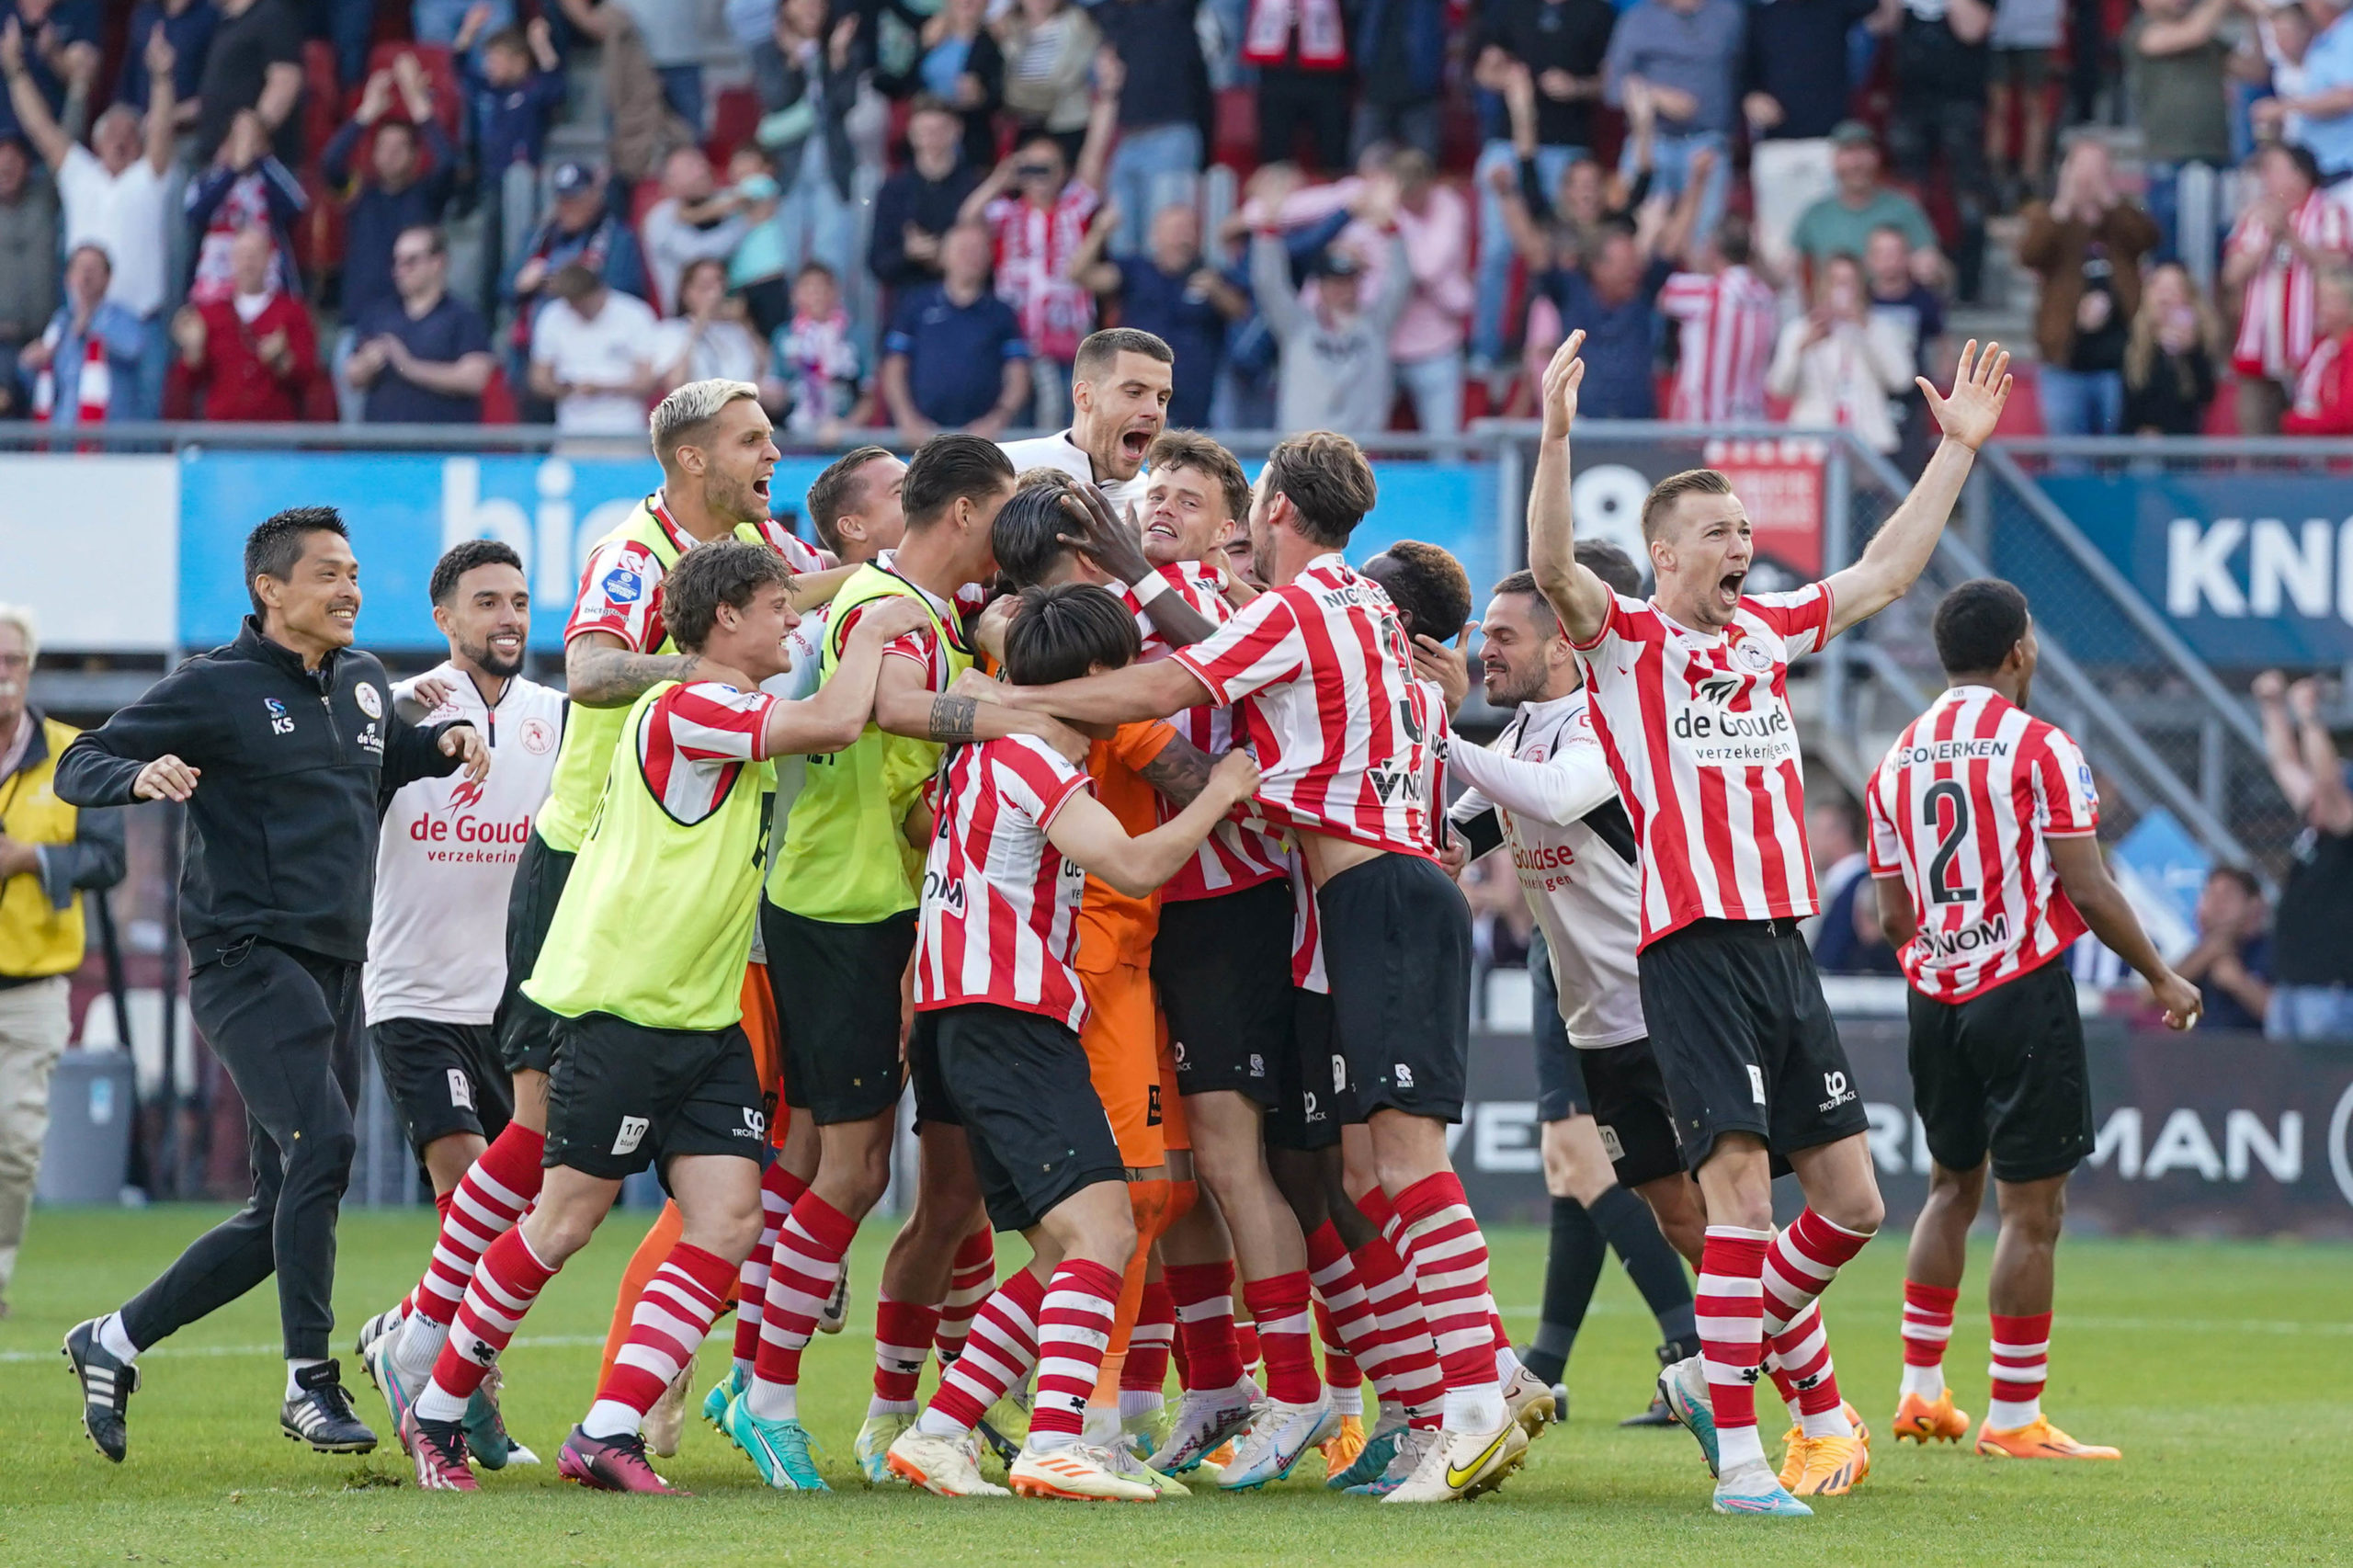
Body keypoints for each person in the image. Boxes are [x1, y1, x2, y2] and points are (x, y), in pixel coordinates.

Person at [982, 431, 1529, 1505]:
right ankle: (1456, 1394)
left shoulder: (1294, 606)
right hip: (1368, 892)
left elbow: (1170, 682)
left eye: (1208, 495)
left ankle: (1468, 1396)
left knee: (1393, 1167)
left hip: (1354, 896)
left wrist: (1011, 700)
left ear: (1267, 506)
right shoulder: (1359, 604)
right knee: (1366, 1167)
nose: (1176, 510)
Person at [1526, 325, 2014, 1514]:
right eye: (1719, 532)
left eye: (1748, 528)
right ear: (1663, 555)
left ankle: (1731, 1335)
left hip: (1782, 947)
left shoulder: (1765, 633)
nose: (1744, 545)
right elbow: (1553, 572)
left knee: (1852, 1203)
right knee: (1741, 1200)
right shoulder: (1628, 640)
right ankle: (1745, 1462)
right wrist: (1553, 437)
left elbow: (1891, 572)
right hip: (1691, 951)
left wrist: (1955, 452)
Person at [401, 544, 931, 1494]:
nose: (791, 623)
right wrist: (884, 614)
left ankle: (608, 1430)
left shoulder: (724, 705)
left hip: (700, 1014)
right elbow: (835, 716)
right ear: (726, 617)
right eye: (777, 607)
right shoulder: (694, 705)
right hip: (627, 1009)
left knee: (728, 1217)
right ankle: (436, 1406)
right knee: (563, 1220)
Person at [54, 506, 488, 1464]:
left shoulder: (369, 682)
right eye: (329, 573)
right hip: (245, 955)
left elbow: (389, 761)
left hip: (336, 962)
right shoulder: (214, 686)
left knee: (282, 1203)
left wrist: (446, 742)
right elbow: (80, 760)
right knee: (326, 1142)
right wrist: (141, 773)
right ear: (270, 587)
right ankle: (308, 1381)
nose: (350, 589)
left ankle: (111, 1339)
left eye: (355, 572)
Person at [726, 435, 1082, 1491]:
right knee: (852, 1167)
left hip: (893, 909)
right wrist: (1025, 712)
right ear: (967, 512)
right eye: (1005, 510)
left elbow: (911, 776)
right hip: (840, 906)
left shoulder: (917, 612)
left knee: (931, 1183)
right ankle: (768, 1399)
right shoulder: (882, 613)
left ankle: (900, 1411)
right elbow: (883, 715)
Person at [881, 583, 1262, 1503]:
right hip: (1008, 1017)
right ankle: (1059, 1438)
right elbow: (1131, 862)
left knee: (1064, 1250)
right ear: (1097, 679)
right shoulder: (1035, 760)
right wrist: (1219, 789)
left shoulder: (978, 757)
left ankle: (940, 1429)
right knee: (1108, 1224)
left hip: (965, 1019)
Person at [1868, 576, 2199, 1462]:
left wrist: (1935, 960)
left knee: (1948, 1188)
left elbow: (1891, 915)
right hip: (2018, 986)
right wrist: (2162, 975)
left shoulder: (1896, 756)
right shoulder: (2041, 748)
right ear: (2019, 650)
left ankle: (1920, 1394)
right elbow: (2086, 886)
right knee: (2032, 1211)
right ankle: (2015, 1417)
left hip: (1933, 995)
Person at [1442, 556, 1704, 1426]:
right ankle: (1664, 1361)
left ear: (1564, 647)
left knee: (1723, 1212)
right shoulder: (1518, 740)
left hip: (1670, 997)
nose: (1485, 650)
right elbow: (1452, 838)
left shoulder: (1606, 721)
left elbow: (1555, 799)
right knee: (1672, 1212)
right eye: (1481, 634)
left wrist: (1433, 734)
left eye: (1503, 636)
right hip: (1598, 1018)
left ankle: (1792, 1394)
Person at [353, 540, 563, 1464]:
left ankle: (412, 1332)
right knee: (470, 1192)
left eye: (518, 600)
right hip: (415, 992)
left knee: (517, 1222)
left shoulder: (557, 717)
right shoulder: (401, 710)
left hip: (514, 1001)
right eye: (486, 602)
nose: (507, 617)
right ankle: (461, 1401)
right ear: (445, 617)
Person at [0, 601, 124, 1322]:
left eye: (12, 661)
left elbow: (108, 860)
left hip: (36, 981)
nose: (3, 675)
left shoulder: (74, 753)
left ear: (31, 667)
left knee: (14, 1142)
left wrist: (33, 859)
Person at [3, 17, 175, 419]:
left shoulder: (148, 178)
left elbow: (163, 130)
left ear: (138, 143)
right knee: (73, 426)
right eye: (110, 131)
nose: (119, 138)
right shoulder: (82, 174)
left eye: (128, 132)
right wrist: (15, 71)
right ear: (96, 142)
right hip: (81, 321)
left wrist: (162, 79)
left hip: (138, 326)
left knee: (140, 432)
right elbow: (40, 127)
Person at [962, 78, 1121, 427]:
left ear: (1062, 172)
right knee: (1017, 426)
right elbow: (966, 221)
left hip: (1067, 338)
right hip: (1014, 339)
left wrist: (1106, 97)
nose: (1038, 177)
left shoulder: (1074, 209)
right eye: (1030, 168)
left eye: (1046, 168)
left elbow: (1093, 157)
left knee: (1064, 425)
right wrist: (1001, 180)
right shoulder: (1008, 211)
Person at [2018, 139, 2159, 437]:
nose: (2088, 178)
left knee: (2119, 452)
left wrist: (2108, 201)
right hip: (2064, 362)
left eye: (2097, 169)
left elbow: (2147, 238)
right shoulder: (2048, 217)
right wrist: (2064, 204)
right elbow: (2030, 254)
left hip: (2120, 363)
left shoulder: (2122, 217)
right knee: (2068, 456)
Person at [1069, 203, 1248, 429]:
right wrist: (1099, 232)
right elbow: (1080, 275)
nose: (1181, 238)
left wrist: (1217, 291)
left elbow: (1240, 312)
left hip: (1195, 400)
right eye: (1174, 231)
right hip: (1135, 390)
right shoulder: (1135, 270)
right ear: (1157, 236)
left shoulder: (1211, 275)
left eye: (1187, 230)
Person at [2250, 668, 2353, 1039]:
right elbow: (2285, 765)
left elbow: (2327, 782)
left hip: (2332, 993)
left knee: (2326, 1089)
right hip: (2292, 987)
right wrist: (2273, 707)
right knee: (2288, 1090)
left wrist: (2308, 717)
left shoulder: (2345, 832)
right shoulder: (2318, 827)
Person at [2221, 141, 2349, 435]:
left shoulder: (2330, 212)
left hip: (2311, 349)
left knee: (2308, 442)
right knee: (2256, 441)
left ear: (2300, 174)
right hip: (2259, 349)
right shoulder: (2254, 216)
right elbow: (2231, 275)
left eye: (2273, 169)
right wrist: (2265, 242)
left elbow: (2339, 265)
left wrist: (2290, 237)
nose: (2266, 177)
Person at [1740, 0, 1877, 273]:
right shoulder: (1761, 16)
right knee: (1776, 244)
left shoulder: (1835, 8)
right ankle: (1783, 315)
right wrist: (1751, 97)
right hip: (1775, 145)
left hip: (1826, 144)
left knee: (1829, 240)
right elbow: (1743, 74)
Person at [324, 55, 457, 334]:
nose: (389, 154)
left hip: (413, 321)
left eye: (399, 148)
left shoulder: (426, 194)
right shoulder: (359, 191)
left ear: (415, 155)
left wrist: (414, 98)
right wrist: (366, 112)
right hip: (360, 321)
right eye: (383, 147)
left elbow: (446, 163)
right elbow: (330, 163)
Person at [1252, 222, 1412, 438]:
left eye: (1348, 281)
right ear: (1319, 286)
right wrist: (1268, 232)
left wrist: (1392, 230)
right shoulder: (1297, 326)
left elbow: (1399, 282)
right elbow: (1270, 285)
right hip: (1303, 451)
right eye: (1333, 282)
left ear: (1359, 284)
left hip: (1362, 452)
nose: (1341, 290)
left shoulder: (1376, 324)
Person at [1602, 0, 1743, 242]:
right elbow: (1612, 87)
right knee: (1641, 230)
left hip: (1707, 142)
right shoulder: (1638, 19)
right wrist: (1657, 96)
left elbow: (1745, 70)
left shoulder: (1728, 15)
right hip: (1651, 144)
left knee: (1706, 235)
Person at [881, 219, 1033, 438]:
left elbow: (1018, 373)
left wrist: (998, 420)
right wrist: (906, 419)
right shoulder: (915, 305)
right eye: (963, 250)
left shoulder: (1002, 313)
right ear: (945, 256)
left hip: (983, 443)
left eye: (978, 250)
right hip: (920, 440)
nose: (970, 257)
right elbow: (894, 366)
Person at [998, 325, 1171, 512]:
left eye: (1162, 399)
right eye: (1134, 393)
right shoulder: (1004, 469)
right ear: (1084, 397)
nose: (1154, 411)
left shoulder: (1158, 505)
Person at [1887, 0, 1994, 301]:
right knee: (1908, 195)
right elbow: (1882, 23)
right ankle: (1910, 281)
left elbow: (1973, 28)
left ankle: (1969, 287)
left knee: (1969, 200)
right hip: (1910, 100)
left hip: (1960, 100)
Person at [345, 225, 494, 425]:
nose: (400, 270)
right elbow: (352, 376)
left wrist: (408, 366)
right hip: (382, 448)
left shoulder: (464, 317)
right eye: (396, 261)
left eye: (411, 261)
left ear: (437, 262)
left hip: (441, 448)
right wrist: (368, 364)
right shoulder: (378, 314)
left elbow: (475, 379)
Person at [2124, 0, 2239, 257]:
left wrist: (2258, 21)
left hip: (2217, 154)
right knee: (2169, 251)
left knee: (2221, 252)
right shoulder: (2141, 31)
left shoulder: (2208, 37)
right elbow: (2194, 33)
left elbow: (2254, 70)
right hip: (2170, 155)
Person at [1768, 253, 1915, 452]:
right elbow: (1778, 388)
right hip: (1813, 443)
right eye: (1835, 281)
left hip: (1868, 442)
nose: (1842, 289)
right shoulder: (1799, 330)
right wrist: (1801, 348)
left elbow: (1901, 380)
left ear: (1861, 287)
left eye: (1849, 282)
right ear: (1822, 286)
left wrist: (1865, 329)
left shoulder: (1879, 327)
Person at [168, 223, 317, 421]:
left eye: (255, 255)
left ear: (269, 260)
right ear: (232, 261)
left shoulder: (293, 312)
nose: (248, 263)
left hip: (276, 435)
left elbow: (310, 378)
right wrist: (194, 350)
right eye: (242, 255)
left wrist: (282, 360)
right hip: (223, 434)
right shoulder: (210, 314)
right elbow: (187, 383)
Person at [1096, 0, 1208, 255]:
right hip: (1127, 140)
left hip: (1170, 137)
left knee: (1166, 245)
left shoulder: (1174, 10)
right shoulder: (1112, 15)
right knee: (1119, 247)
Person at [1790, 121, 1946, 285]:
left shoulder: (1903, 207)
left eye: (1863, 151)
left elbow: (1940, 271)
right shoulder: (1815, 214)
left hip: (1889, 307)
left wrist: (1932, 269)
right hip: (1836, 307)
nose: (1857, 162)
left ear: (1877, 158)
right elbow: (1781, 273)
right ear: (1834, 160)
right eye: (1848, 151)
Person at [1657, 215, 1777, 422]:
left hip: (1705, 425)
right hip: (1751, 423)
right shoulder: (1766, 297)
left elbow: (1663, 298)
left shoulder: (1707, 293)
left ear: (1713, 249)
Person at [528, 263, 660, 436]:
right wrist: (565, 388)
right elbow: (539, 379)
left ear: (598, 292)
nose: (577, 310)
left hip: (625, 430)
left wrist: (601, 388)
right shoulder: (552, 315)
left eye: (582, 303)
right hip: (571, 429)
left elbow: (647, 382)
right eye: (572, 305)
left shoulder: (635, 314)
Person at [870, 97, 983, 295]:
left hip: (966, 304)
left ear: (956, 131)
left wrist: (947, 255)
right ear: (912, 135)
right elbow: (877, 264)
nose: (932, 138)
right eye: (924, 131)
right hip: (912, 303)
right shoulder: (894, 190)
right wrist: (907, 253)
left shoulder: (974, 186)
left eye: (940, 130)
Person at [19, 242, 142, 424]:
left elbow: (133, 349)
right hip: (62, 435)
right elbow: (40, 383)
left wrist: (91, 327)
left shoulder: (121, 317)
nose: (86, 276)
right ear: (68, 277)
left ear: (108, 278)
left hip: (107, 435)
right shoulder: (60, 322)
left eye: (93, 269)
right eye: (80, 268)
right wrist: (28, 364)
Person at [194, 0, 304, 170]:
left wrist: (250, 136)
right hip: (218, 162)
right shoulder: (226, 24)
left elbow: (285, 80)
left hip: (255, 169)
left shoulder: (271, 14)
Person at [642, 147, 751, 317]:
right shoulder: (660, 217)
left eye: (702, 163)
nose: (702, 171)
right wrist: (744, 222)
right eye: (690, 167)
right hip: (685, 322)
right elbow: (699, 255)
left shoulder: (725, 200)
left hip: (737, 316)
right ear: (669, 182)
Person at [762, 261, 868, 437]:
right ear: (794, 296)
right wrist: (763, 394)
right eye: (808, 289)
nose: (816, 296)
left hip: (842, 434)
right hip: (795, 433)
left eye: (822, 288)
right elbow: (777, 391)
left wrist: (847, 427)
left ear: (835, 292)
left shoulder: (855, 335)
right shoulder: (783, 335)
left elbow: (869, 395)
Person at [2121, 260, 2221, 435]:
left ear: (2188, 297)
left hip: (2183, 442)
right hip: (2140, 442)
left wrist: (2191, 352)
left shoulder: (2200, 338)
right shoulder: (2132, 337)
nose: (2164, 297)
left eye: (2173, 289)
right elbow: (2130, 402)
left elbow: (2205, 396)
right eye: (2158, 288)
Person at [2175, 865, 2272, 1031]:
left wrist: (2237, 981)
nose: (2217, 905)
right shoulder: (2202, 952)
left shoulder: (2270, 951)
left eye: (2227, 897)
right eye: (2210, 895)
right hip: (2201, 1049)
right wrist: (2209, 952)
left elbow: (2282, 1014)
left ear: (2253, 905)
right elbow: (2148, 998)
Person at [654, 256, 766, 393]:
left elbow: (765, 368)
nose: (715, 293)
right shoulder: (672, 330)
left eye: (720, 284)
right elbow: (674, 382)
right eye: (706, 286)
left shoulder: (736, 329)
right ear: (687, 292)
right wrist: (699, 325)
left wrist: (745, 323)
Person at [2282, 265, 2353, 432]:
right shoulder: (2322, 348)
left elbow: (2345, 417)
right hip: (2314, 449)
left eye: (2330, 301)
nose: (2320, 308)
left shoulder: (2349, 352)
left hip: (2339, 452)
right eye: (2319, 300)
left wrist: (2292, 422)